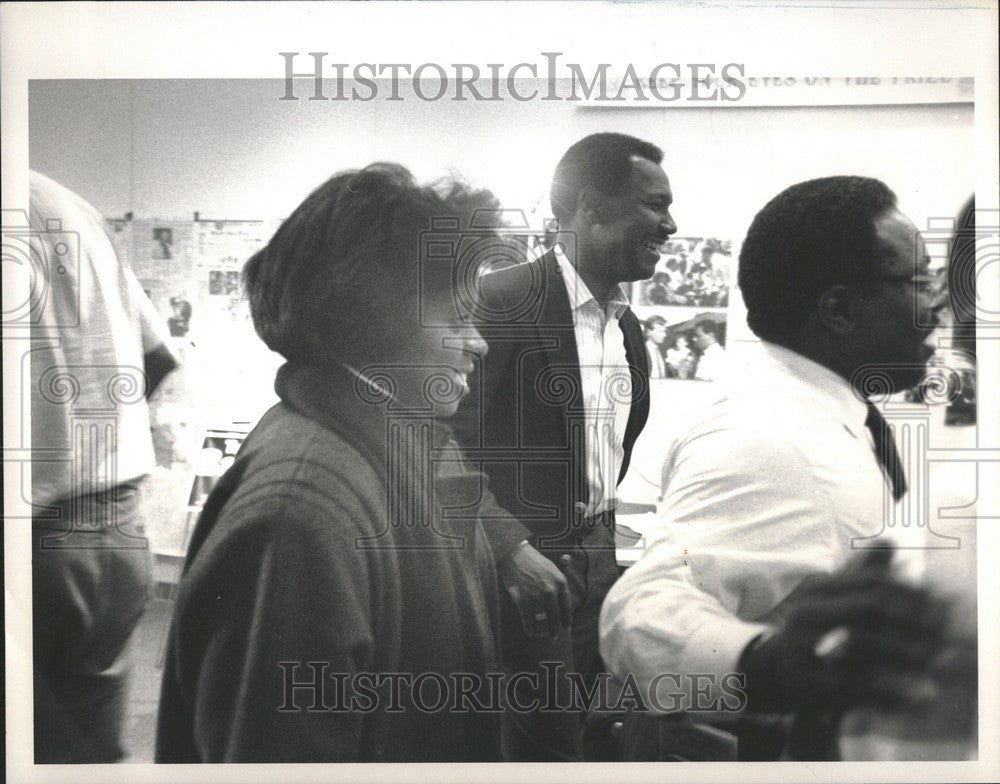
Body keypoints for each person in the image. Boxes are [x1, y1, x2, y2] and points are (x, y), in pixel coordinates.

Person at [600, 176, 967, 760]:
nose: (939, 306)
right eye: (918, 282)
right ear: (840, 309)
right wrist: (766, 666)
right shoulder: (767, 436)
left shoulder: (828, 417)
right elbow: (639, 610)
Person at [156, 164, 506, 762]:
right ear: (378, 320)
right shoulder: (301, 514)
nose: (479, 343)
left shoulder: (392, 448)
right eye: (456, 319)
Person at [452, 132, 677, 760]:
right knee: (534, 752)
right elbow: (430, 438)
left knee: (581, 735)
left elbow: (611, 453)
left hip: (597, 564)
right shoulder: (499, 302)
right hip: (517, 575)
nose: (670, 224)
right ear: (592, 208)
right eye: (654, 205)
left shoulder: (626, 327)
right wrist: (506, 546)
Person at [28, 171, 179, 762]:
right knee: (85, 758)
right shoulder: (66, 202)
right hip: (113, 534)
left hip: (29, 541)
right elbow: (159, 357)